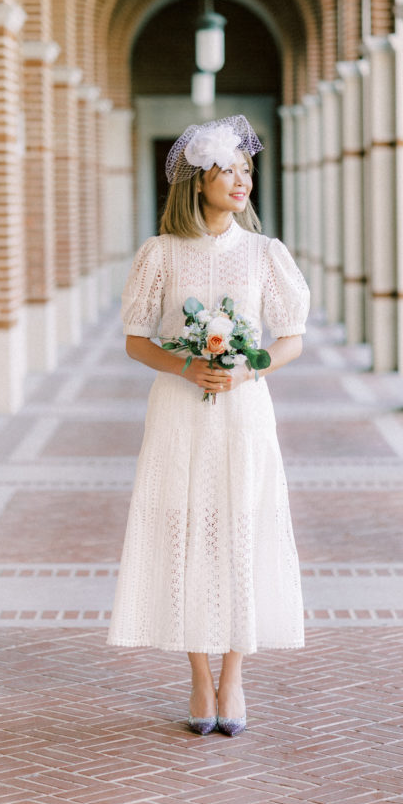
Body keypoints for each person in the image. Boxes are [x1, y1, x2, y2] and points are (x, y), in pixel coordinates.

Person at [107, 114, 310, 736]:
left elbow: (292, 339)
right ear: (198, 181)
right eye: (228, 170)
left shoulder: (264, 253)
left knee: (241, 526)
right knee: (186, 527)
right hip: (179, 410)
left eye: (246, 170)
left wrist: (248, 372)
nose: (241, 180)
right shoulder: (160, 255)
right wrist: (188, 366)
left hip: (245, 413)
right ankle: (199, 677)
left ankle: (235, 677)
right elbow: (136, 341)